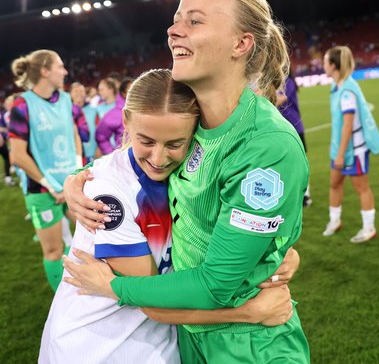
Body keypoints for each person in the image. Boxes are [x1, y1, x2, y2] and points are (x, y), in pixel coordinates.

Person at [62, 0, 310, 363]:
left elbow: (215, 285)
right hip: (188, 339)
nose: (173, 30)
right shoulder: (195, 125)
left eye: (194, 21)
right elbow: (146, 155)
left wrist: (115, 287)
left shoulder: (266, 146)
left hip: (247, 344)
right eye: (177, 19)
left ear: (241, 43)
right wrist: (81, 179)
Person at [40, 69, 294, 364]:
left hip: (157, 340)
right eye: (145, 141)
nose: (159, 159)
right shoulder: (109, 196)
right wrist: (250, 313)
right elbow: (151, 300)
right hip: (100, 347)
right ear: (126, 123)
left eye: (174, 144)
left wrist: (272, 255)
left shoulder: (194, 174)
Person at [8, 49, 83, 291]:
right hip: (42, 190)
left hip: (71, 184)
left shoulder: (65, 99)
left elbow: (74, 135)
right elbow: (17, 155)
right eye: (60, 66)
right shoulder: (22, 105)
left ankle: (84, 289)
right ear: (45, 71)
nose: (65, 71)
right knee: (53, 250)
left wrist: (78, 172)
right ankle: (62, 301)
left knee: (92, 237)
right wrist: (51, 186)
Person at [322, 46, 379, 243]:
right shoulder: (339, 87)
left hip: (353, 149)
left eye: (325, 61)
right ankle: (335, 221)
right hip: (341, 148)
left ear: (333, 65)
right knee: (334, 183)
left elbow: (348, 126)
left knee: (361, 187)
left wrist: (340, 154)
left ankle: (369, 228)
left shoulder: (347, 91)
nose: (323, 65)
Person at [277, 73, 312, 207]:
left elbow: (282, 98)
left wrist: (262, 101)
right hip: (284, 129)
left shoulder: (288, 81)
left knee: (300, 163)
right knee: (287, 163)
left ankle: (306, 194)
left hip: (295, 127)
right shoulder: (278, 80)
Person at [95, 77, 125, 155]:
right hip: (105, 150)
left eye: (102, 89)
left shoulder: (122, 106)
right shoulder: (98, 108)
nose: (99, 92)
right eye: (99, 90)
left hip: (121, 148)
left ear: (110, 89)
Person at [70, 82, 95, 163]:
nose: (79, 94)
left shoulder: (93, 110)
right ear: (70, 94)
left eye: (81, 91)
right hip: (73, 154)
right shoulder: (66, 111)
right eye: (76, 91)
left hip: (92, 153)